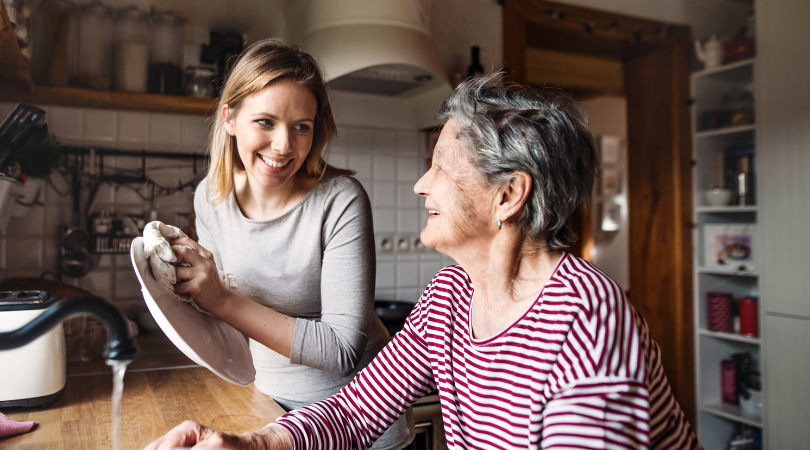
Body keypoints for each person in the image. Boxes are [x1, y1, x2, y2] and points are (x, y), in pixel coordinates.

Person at [146, 73, 702, 450]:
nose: (419, 185)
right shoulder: (449, 298)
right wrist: (253, 444)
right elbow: (356, 410)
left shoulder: (587, 321)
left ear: (507, 196)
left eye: (439, 166)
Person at [163, 39, 412, 449]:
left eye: (302, 127)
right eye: (265, 121)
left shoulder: (341, 199)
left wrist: (220, 299)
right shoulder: (211, 197)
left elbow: (342, 350)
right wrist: (181, 289)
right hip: (269, 407)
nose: (284, 145)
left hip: (358, 422)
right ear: (229, 118)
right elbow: (222, 322)